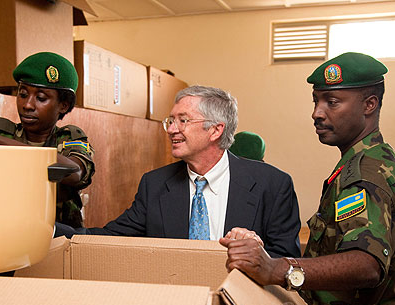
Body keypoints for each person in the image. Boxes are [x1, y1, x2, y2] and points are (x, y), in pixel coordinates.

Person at [220, 52, 395, 305]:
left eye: (332, 101)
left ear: (369, 104)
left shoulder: (365, 173)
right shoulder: (365, 161)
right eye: (316, 100)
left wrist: (279, 268)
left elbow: (367, 263)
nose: (317, 112)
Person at [56, 85, 301, 259]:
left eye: (183, 120)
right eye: (170, 121)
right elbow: (110, 237)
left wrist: (258, 254)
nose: (171, 129)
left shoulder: (273, 185)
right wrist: (53, 231)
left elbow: (288, 261)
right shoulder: (154, 184)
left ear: (215, 130)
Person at [0, 52, 95, 229]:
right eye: (23, 94)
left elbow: (75, 172)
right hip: (0, 232)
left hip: (59, 237)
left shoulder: (68, 138)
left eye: (41, 98)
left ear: (63, 105)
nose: (28, 105)